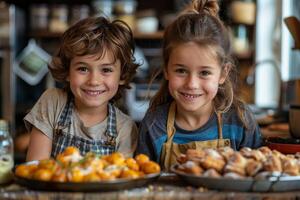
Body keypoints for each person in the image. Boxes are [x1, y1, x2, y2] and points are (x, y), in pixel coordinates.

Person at [135, 0, 262, 170]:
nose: (192, 84)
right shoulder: (154, 125)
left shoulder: (240, 122)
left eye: (204, 73)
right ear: (166, 70)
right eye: (181, 71)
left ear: (223, 74)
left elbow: (257, 175)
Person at [25, 16, 140, 161]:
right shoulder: (53, 102)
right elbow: (36, 167)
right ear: (68, 71)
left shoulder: (125, 128)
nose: (94, 81)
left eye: (106, 70)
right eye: (83, 69)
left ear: (122, 75)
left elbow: (121, 177)